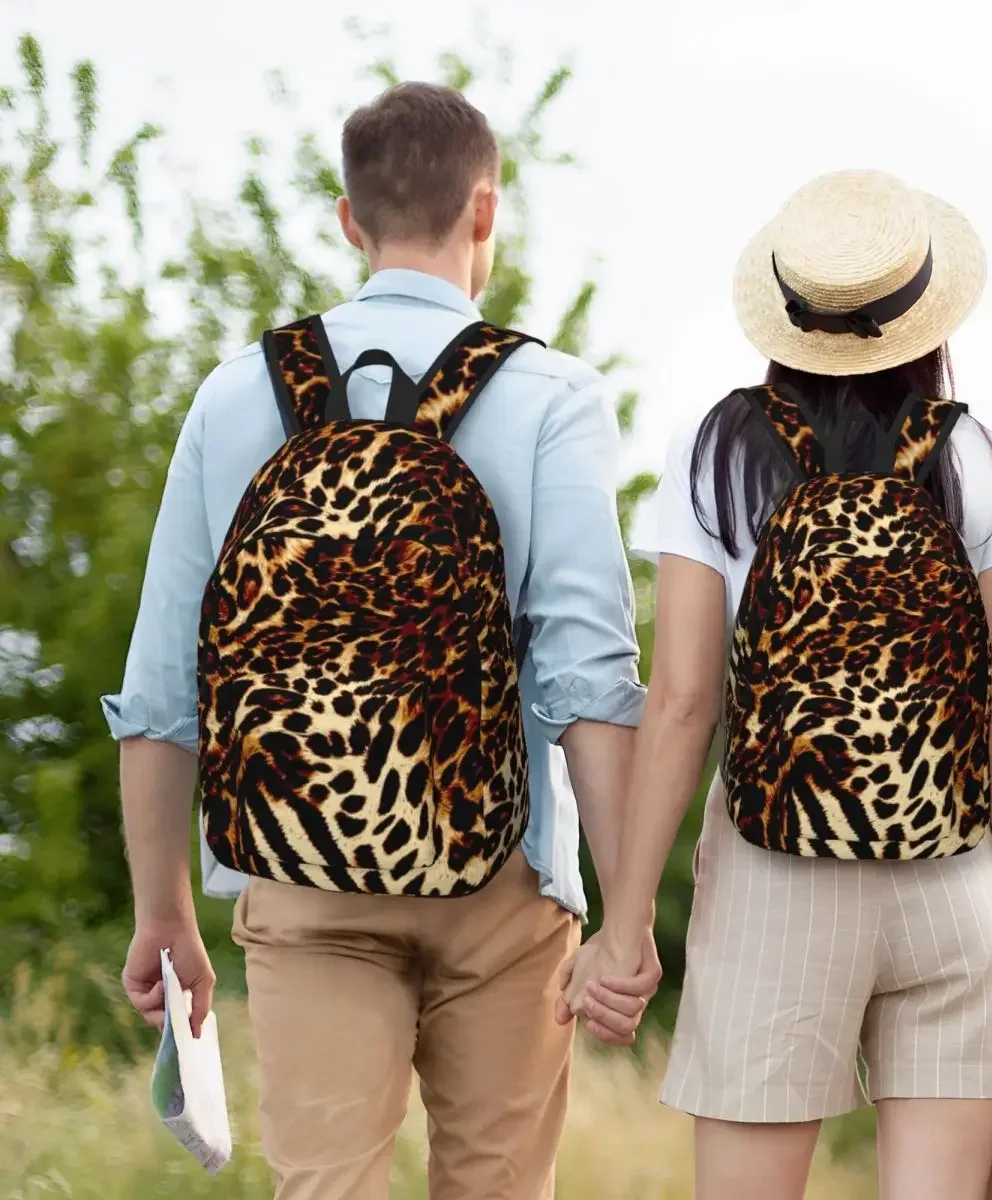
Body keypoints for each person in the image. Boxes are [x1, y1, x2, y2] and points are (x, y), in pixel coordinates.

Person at [105, 81, 661, 1200]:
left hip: (299, 877)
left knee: (325, 1187)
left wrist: (162, 911)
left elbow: (165, 684)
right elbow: (588, 679)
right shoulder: (550, 394)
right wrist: (627, 915)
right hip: (501, 876)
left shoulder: (234, 396)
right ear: (486, 212)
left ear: (349, 219)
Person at [560, 169, 992, 1200]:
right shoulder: (974, 457)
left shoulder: (718, 451)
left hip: (773, 884)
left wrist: (623, 927)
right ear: (925, 317)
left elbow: (682, 706)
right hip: (954, 887)